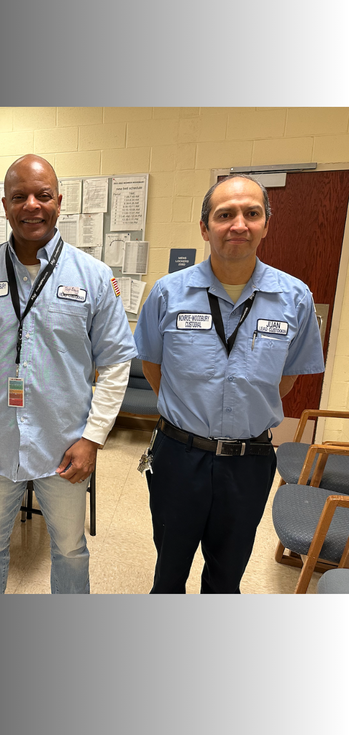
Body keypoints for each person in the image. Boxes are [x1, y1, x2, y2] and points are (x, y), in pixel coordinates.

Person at [0, 155, 137, 593]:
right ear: (5, 205)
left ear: (59, 202)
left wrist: (93, 439)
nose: (32, 205)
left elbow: (117, 364)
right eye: (19, 197)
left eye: (42, 195)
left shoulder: (96, 277)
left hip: (66, 446)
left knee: (69, 549)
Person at [134, 175, 325, 593]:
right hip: (179, 456)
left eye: (251, 213)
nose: (239, 224)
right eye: (225, 215)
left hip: (249, 460)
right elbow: (153, 367)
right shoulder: (168, 294)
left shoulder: (295, 298)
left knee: (226, 580)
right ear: (205, 228)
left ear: (265, 225)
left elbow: (286, 379)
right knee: (168, 576)